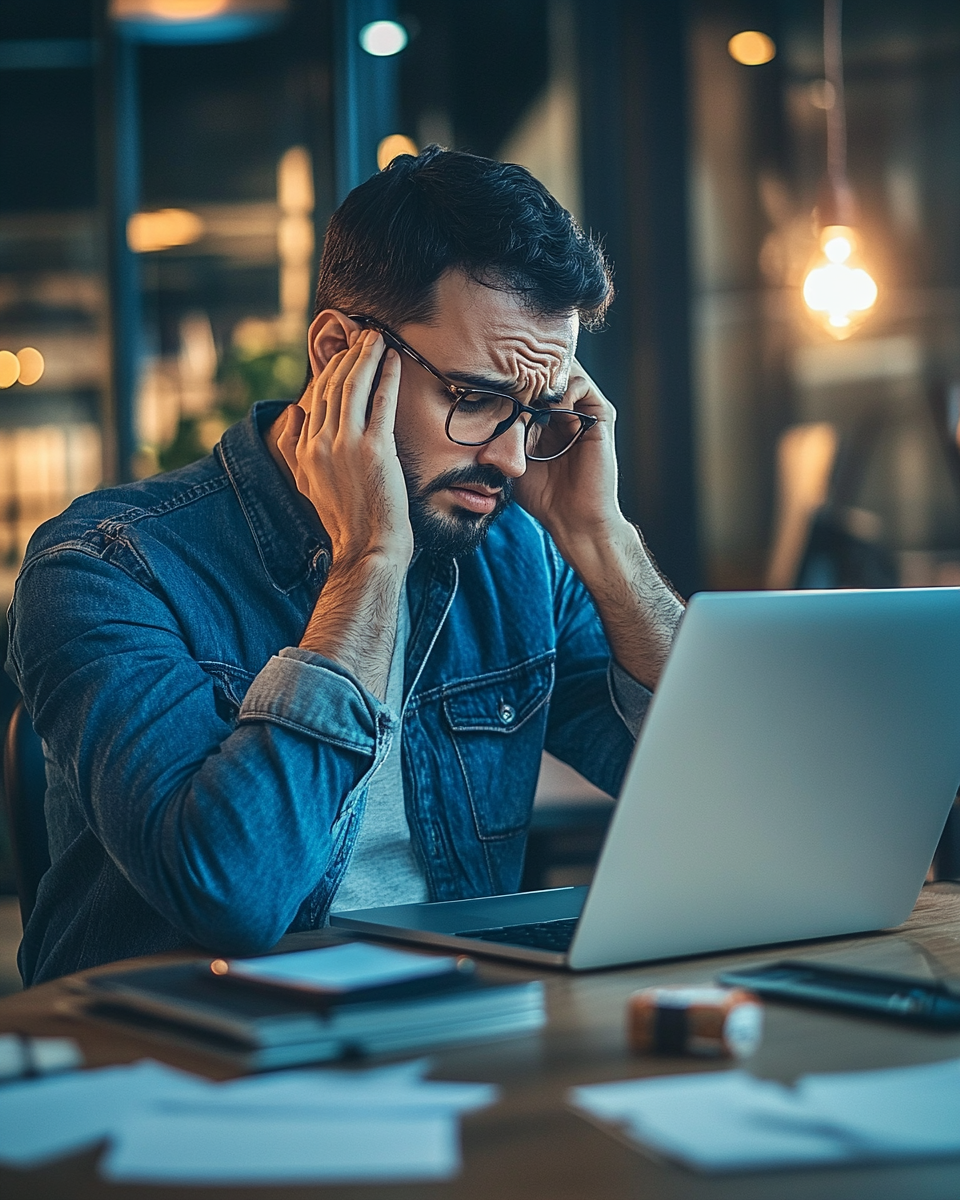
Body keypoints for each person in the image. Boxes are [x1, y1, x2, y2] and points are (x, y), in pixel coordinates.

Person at [7, 148, 683, 985]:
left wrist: (603, 540)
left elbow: (733, 795)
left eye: (535, 412)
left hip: (449, 1040)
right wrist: (368, 562)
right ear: (337, 353)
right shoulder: (109, 567)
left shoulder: (516, 558)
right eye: (474, 399)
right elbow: (234, 897)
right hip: (179, 1061)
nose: (512, 459)